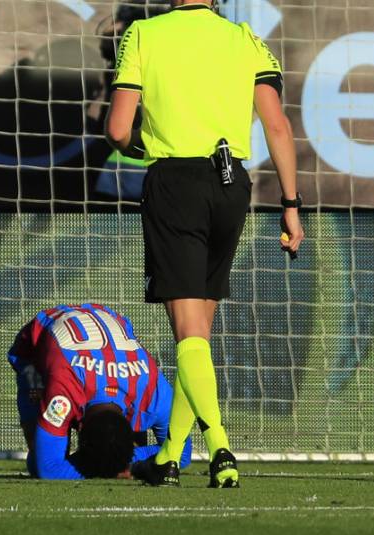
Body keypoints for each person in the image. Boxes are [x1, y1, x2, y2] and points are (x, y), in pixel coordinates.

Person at [104, 0, 303, 487]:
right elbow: (277, 125)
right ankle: (171, 454)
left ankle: (219, 447)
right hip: (232, 185)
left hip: (176, 181)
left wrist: (143, 147)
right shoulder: (245, 39)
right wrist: (292, 205)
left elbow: (116, 130)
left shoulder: (143, 34)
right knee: (199, 334)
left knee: (188, 329)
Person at [9, 304, 191, 480]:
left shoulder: (154, 392)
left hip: (102, 322)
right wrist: (109, 467)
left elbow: (182, 454)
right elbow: (48, 469)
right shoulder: (63, 393)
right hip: (33, 343)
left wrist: (129, 462)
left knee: (113, 454)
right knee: (37, 461)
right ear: (79, 426)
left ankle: (118, 453)